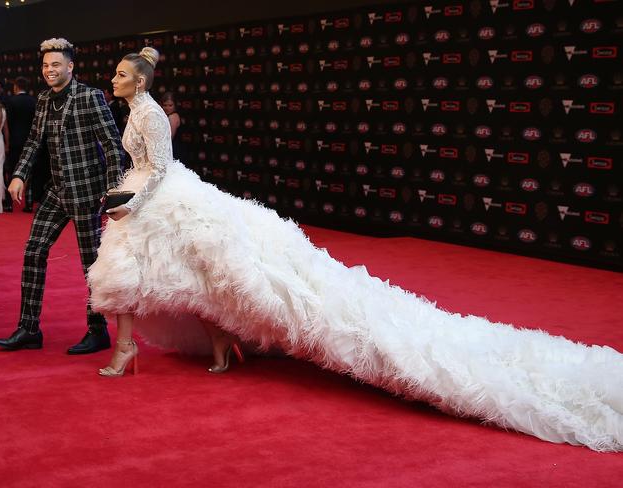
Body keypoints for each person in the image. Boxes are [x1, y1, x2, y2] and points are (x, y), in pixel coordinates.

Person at [88, 47, 623, 452]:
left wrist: (131, 204)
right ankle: (205, 341)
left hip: (157, 197)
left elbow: (158, 168)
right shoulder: (134, 111)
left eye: (120, 73)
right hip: (142, 197)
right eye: (115, 73)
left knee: (207, 273)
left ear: (140, 80)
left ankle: (144, 346)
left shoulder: (152, 114)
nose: (112, 78)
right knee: (187, 275)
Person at [0, 38, 124, 354]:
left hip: (88, 193)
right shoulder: (42, 100)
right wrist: (19, 174)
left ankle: (98, 330)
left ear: (70, 66)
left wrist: (113, 193)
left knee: (91, 263)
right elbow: (35, 142)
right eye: (45, 65)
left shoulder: (90, 97)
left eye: (55, 65)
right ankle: (29, 328)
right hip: (57, 190)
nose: (49, 70)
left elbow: (112, 146)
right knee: (33, 251)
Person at [5, 76, 37, 212]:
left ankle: (8, 203)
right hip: (31, 142)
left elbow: (8, 124)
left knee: (12, 170)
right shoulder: (33, 101)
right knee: (31, 172)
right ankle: (29, 203)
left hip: (14, 141)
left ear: (16, 87)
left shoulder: (11, 101)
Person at [159, 91, 184, 161]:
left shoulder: (173, 116)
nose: (167, 108)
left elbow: (169, 138)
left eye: (170, 105)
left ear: (175, 105)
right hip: (169, 149)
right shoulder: (167, 116)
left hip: (173, 151)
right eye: (165, 105)